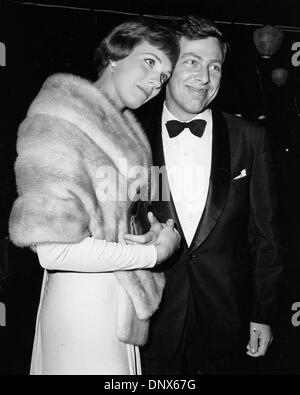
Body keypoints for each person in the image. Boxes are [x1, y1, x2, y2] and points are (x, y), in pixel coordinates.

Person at [8, 18, 181, 375]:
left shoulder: (132, 142)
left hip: (120, 305)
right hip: (82, 307)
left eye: (164, 76)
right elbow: (55, 251)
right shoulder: (60, 115)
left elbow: (121, 223)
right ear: (116, 54)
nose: (155, 82)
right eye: (150, 62)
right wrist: (153, 252)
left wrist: (149, 234)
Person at [129, 15, 282, 374]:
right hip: (150, 319)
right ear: (166, 68)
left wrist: (263, 313)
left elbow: (267, 235)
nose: (204, 78)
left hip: (227, 318)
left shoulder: (249, 137)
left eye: (215, 66)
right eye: (192, 62)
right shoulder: (131, 134)